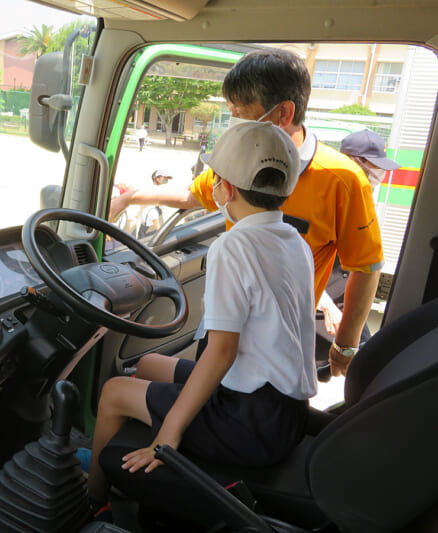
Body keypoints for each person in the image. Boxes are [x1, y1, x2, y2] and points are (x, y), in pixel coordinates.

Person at [110, 49, 382, 378]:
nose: (235, 124)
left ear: (283, 113)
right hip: (224, 324)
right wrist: (131, 198)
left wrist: (346, 344)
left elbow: (365, 268)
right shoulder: (237, 159)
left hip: (278, 343)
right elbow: (191, 194)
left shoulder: (343, 180)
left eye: (242, 114)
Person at [87, 121, 317, 511]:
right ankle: (130, 481)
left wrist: (169, 437)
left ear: (226, 188)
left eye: (215, 178)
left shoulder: (234, 246)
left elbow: (222, 351)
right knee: (147, 364)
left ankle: (93, 499)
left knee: (113, 393)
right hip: (283, 413)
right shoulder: (294, 239)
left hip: (250, 422)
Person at [315, 129, 400, 361]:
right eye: (374, 166)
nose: (379, 174)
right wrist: (324, 304)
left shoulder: (363, 200)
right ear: (354, 162)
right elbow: (296, 261)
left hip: (347, 306)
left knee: (371, 363)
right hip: (319, 309)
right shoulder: (320, 198)